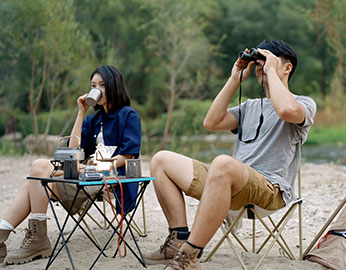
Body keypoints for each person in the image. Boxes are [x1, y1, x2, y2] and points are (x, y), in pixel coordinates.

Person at [145, 40, 316, 270]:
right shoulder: (250, 107)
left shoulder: (304, 103)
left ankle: (189, 255)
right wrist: (235, 77)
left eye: (268, 62)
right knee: (161, 160)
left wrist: (271, 71)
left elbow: (286, 111)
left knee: (224, 163)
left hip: (270, 189)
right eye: (259, 64)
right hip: (227, 182)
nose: (260, 68)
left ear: (287, 68)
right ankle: (177, 240)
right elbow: (211, 121)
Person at [0, 65, 142, 265]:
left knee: (38, 173)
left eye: (102, 85)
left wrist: (98, 164)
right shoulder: (94, 119)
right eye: (93, 85)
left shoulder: (128, 115)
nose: (97, 89)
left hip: (109, 176)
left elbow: (127, 155)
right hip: (86, 173)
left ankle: (27, 238)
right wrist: (81, 112)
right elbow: (73, 150)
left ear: (113, 86)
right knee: (38, 173)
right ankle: (12, 236)